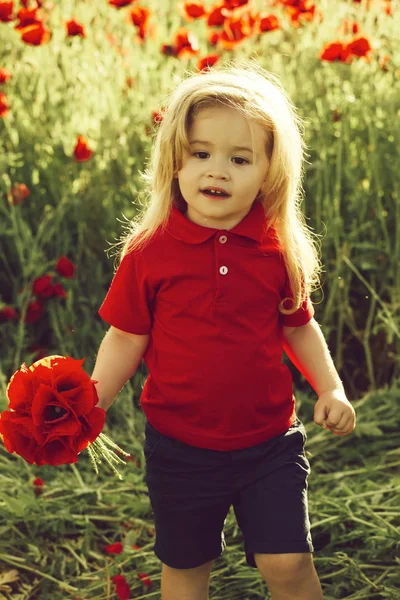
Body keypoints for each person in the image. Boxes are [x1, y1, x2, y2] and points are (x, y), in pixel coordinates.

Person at [92, 58, 356, 600]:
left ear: (269, 173)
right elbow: (126, 336)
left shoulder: (276, 250)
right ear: (174, 161)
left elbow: (298, 326)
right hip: (180, 448)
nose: (217, 171)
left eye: (240, 159)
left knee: (288, 565)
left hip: (269, 444)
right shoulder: (150, 253)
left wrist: (329, 387)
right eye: (202, 154)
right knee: (188, 571)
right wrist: (92, 401)